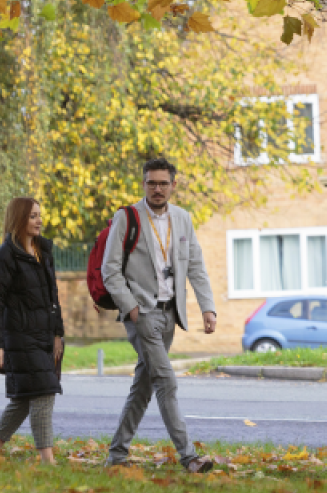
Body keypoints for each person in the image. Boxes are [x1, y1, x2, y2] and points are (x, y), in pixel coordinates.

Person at [102, 158, 218, 473]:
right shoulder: (126, 218)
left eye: (163, 183)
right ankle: (189, 457)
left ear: (173, 185)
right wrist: (131, 307)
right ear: (144, 184)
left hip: (171, 315)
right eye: (151, 183)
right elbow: (109, 270)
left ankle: (116, 455)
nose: (157, 189)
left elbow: (195, 264)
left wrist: (207, 306)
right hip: (142, 314)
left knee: (143, 385)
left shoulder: (183, 219)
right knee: (166, 381)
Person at [0, 197, 64, 465]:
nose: (39, 220)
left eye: (40, 215)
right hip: (20, 338)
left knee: (24, 399)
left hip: (45, 338)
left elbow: (53, 297)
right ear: (19, 219)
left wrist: (58, 334)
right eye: (32, 216)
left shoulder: (43, 251)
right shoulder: (5, 257)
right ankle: (47, 459)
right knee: (44, 394)